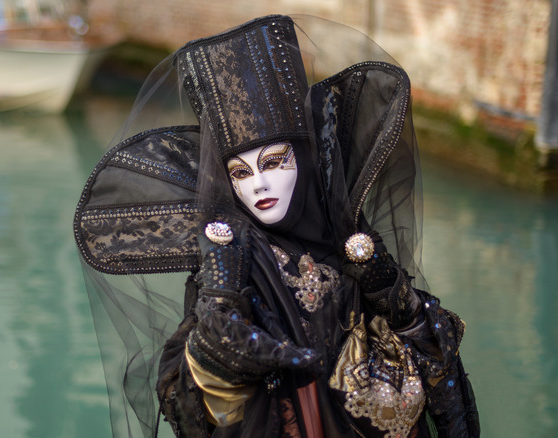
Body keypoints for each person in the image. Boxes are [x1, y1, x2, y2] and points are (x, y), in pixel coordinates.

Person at [74, 14, 479, 438]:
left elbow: (434, 356)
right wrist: (221, 311)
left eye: (272, 162)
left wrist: (391, 293)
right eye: (240, 172)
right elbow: (189, 405)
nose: (259, 184)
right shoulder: (233, 259)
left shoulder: (350, 239)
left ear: (303, 159)